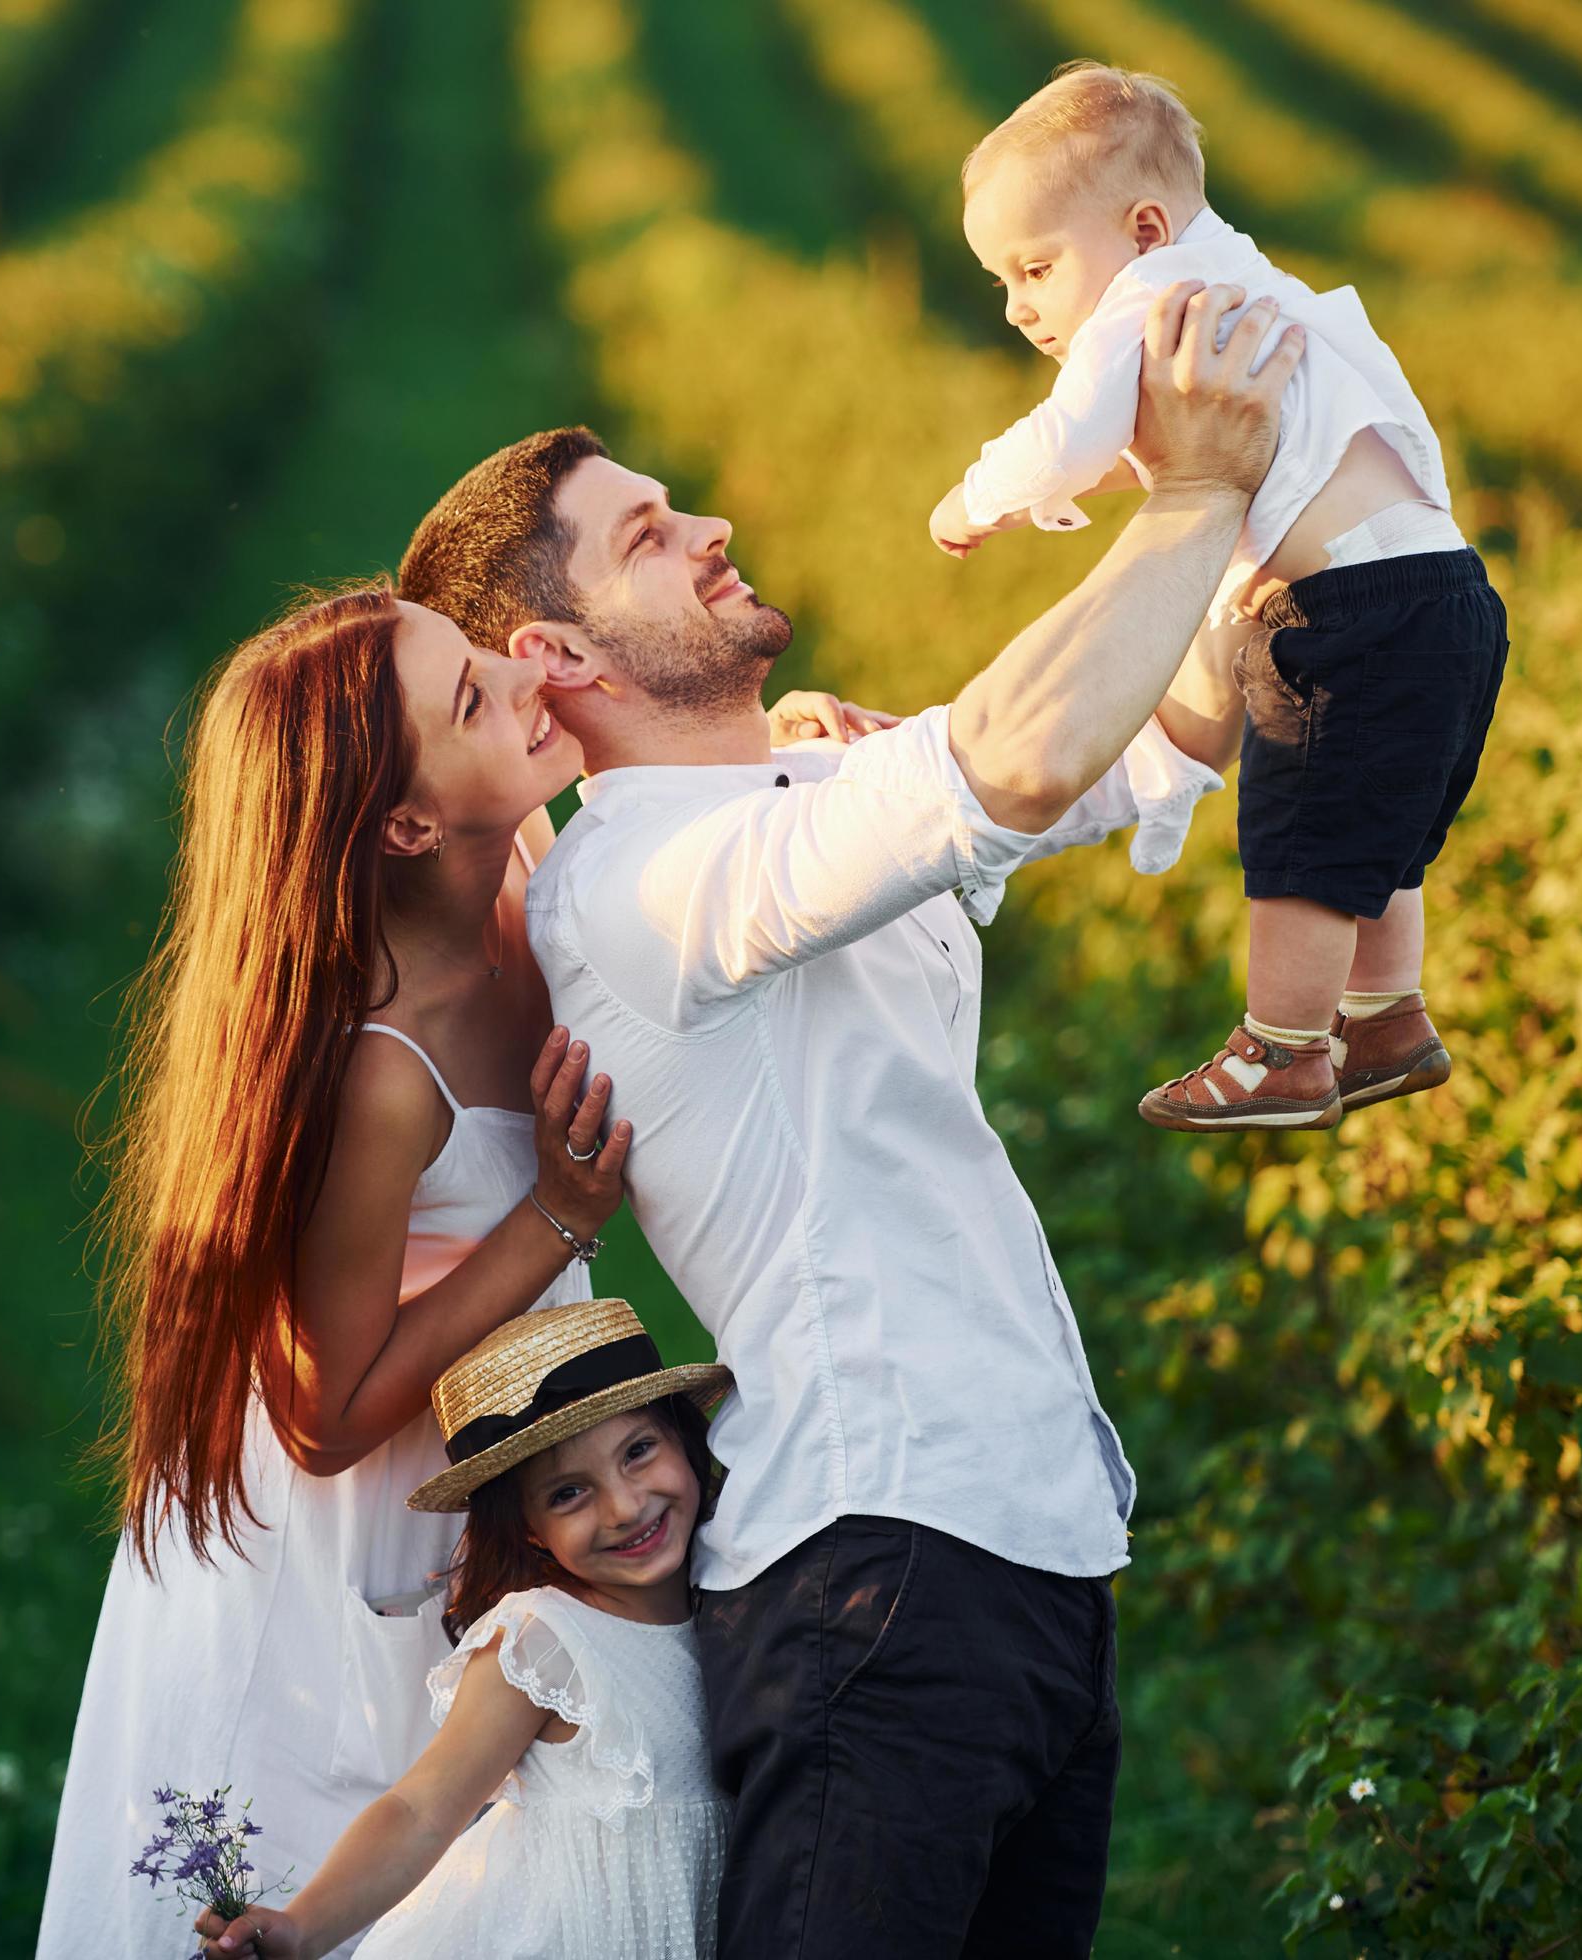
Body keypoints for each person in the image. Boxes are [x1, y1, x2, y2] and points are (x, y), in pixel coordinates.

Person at [392, 275, 1293, 1955]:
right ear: (555, 653)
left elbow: (1143, 743)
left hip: (1030, 1547)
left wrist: (1287, 532)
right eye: (652, 531)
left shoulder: (803, 786)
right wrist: (1188, 495)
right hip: (876, 1572)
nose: (715, 526)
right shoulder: (642, 884)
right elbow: (1011, 764)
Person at [36, 585, 889, 1958]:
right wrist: (553, 1214)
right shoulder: (380, 1067)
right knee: (388, 1866)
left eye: (482, 655)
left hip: (516, 1433)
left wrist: (786, 766)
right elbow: (323, 1414)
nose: (520, 675)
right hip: (369, 1518)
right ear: (407, 825)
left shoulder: (520, 857)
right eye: (472, 697)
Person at [930, 63, 1511, 1133]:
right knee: (1375, 825)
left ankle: (1283, 1051)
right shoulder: (1258, 291)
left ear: (1144, 228)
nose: (1018, 307)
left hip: (1345, 609)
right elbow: (1145, 448)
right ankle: (1383, 1019)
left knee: (1301, 829)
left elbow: (1069, 437)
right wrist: (1059, 500)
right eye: (1002, 281)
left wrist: (977, 497)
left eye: (1035, 269)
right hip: (1445, 589)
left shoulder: (1149, 303)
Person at [196, 1298, 731, 1959]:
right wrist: (306, 1926)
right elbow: (422, 1810)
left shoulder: (740, 1592)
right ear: (528, 1528)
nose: (624, 1506)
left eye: (639, 1451)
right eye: (569, 1493)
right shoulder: (546, 1642)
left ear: (684, 1436)